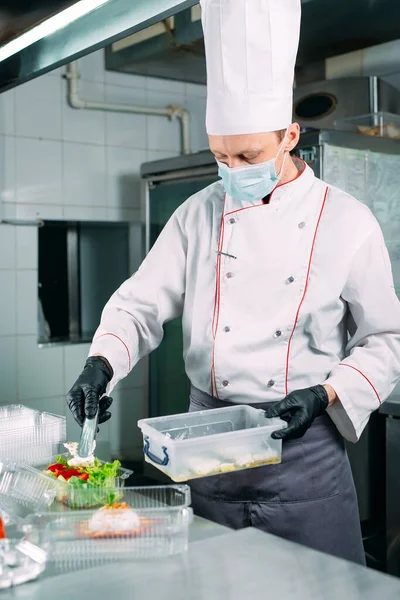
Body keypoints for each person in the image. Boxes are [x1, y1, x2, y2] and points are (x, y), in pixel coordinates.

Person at [66, 0, 400, 565]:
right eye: (221, 156)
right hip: (206, 448)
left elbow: (387, 339)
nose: (232, 171)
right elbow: (140, 304)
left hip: (302, 450)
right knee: (213, 583)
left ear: (290, 136)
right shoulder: (199, 212)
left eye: (247, 156)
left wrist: (326, 394)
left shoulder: (346, 220)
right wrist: (102, 362)